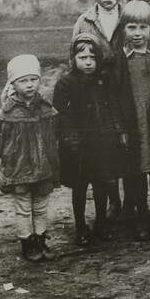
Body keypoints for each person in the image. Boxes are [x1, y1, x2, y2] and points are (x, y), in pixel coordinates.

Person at [52, 33, 128, 246]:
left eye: (92, 58)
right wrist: (71, 139)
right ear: (73, 60)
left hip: (103, 143)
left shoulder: (103, 81)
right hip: (79, 147)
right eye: (82, 58)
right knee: (80, 187)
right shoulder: (66, 84)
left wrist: (118, 130)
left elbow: (112, 106)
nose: (87, 62)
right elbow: (63, 115)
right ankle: (80, 226)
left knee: (102, 184)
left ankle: (102, 223)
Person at [72, 0, 130, 217]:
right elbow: (74, 59)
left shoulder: (130, 17)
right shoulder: (84, 22)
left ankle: (131, 205)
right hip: (97, 95)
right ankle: (110, 203)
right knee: (103, 148)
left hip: (125, 92)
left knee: (128, 146)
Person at [0, 54, 59, 262]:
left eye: (33, 79)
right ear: (13, 83)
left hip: (43, 168)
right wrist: (12, 156)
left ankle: (40, 240)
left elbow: (53, 134)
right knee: (23, 208)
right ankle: (27, 244)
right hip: (20, 170)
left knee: (40, 206)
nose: (29, 85)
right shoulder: (7, 112)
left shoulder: (46, 108)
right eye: (23, 80)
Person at [113, 0, 150, 240]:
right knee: (134, 173)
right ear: (123, 29)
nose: (137, 34)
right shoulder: (117, 59)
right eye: (132, 28)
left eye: (143, 28)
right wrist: (119, 127)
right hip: (131, 123)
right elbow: (113, 97)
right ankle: (141, 215)